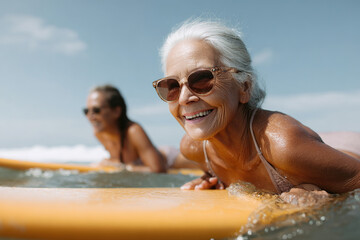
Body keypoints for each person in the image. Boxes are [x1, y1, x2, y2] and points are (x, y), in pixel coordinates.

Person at [152, 19, 360, 199]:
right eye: (171, 86)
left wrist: (329, 198)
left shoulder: (283, 145)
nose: (184, 98)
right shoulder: (194, 149)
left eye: (202, 78)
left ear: (244, 86)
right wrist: (212, 178)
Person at [84, 84, 198, 173]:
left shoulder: (134, 131)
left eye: (96, 110)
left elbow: (158, 169)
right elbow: (120, 160)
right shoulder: (99, 134)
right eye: (86, 111)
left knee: (207, 164)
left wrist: (124, 168)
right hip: (153, 156)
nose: (90, 116)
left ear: (116, 111)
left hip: (171, 160)